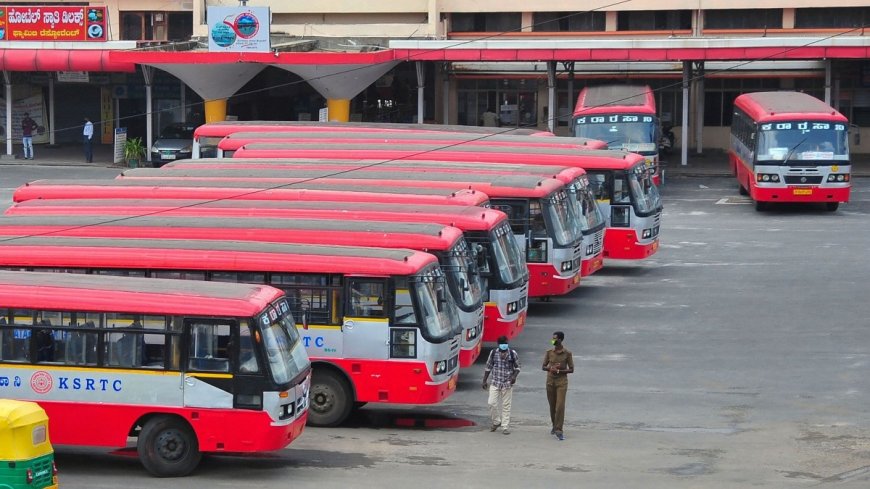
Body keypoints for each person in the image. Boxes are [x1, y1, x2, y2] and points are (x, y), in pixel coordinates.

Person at [482, 335, 520, 435]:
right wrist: (484, 380)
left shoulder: (512, 353)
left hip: (507, 383)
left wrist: (514, 376)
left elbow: (518, 367)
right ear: (498, 345)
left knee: (506, 405)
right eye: (502, 344)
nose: (504, 346)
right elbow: (488, 367)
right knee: (491, 403)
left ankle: (505, 426)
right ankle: (496, 421)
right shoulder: (493, 353)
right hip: (495, 382)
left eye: (506, 344)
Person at [542, 331, 574, 440]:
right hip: (550, 381)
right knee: (552, 405)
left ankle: (559, 429)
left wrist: (560, 371)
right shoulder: (549, 352)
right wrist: (550, 369)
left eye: (555, 339)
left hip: (562, 382)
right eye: (552, 338)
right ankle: (554, 425)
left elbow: (571, 369)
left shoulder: (567, 353)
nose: (553, 340)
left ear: (560, 340)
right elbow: (543, 366)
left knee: (560, 406)